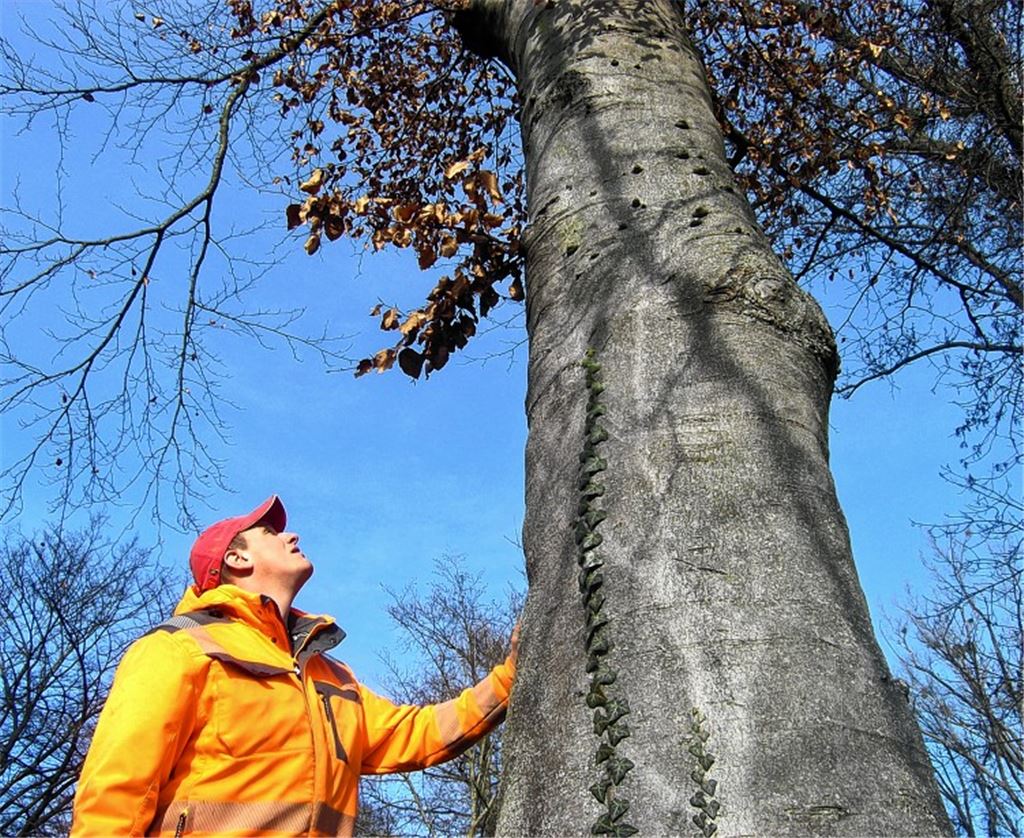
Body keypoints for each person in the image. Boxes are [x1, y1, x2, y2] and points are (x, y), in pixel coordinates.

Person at [71, 495, 517, 836]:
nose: (291, 536)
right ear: (236, 558)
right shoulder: (179, 649)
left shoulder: (331, 677)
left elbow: (418, 734)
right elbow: (115, 789)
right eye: (270, 533)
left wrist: (511, 675)